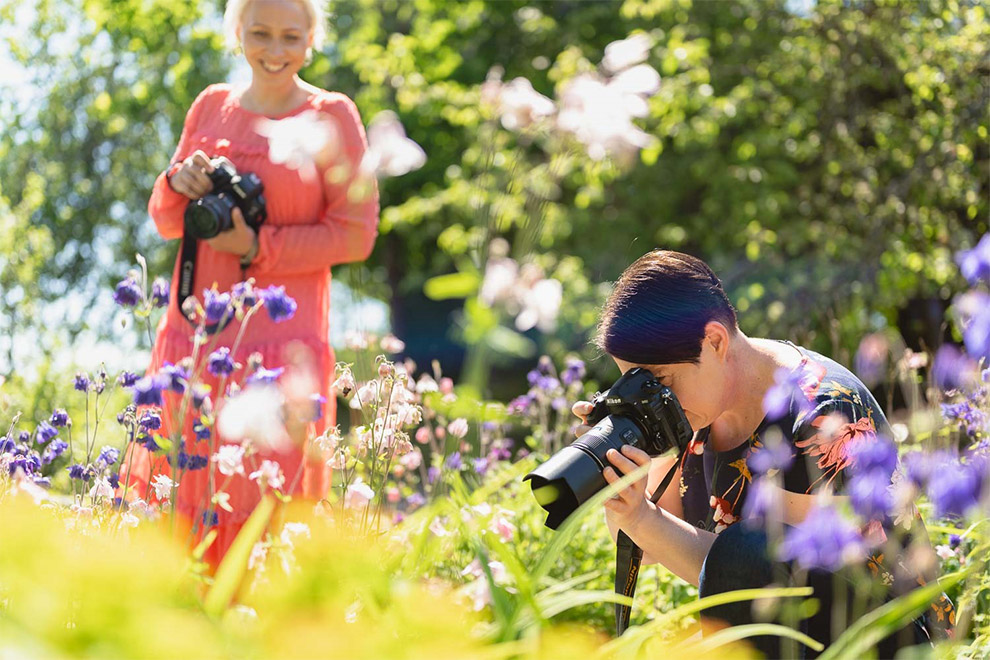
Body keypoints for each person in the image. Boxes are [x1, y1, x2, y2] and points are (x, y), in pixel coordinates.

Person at [572, 250, 954, 657]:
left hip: (890, 635)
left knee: (744, 549)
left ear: (715, 341)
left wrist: (641, 517)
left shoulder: (822, 414)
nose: (652, 397)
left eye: (658, 380)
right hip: (794, 638)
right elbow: (647, 549)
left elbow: (751, 573)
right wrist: (623, 470)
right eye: (634, 381)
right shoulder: (691, 410)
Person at [120, 0, 379, 564]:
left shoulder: (332, 115)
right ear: (237, 33)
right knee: (176, 503)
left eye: (291, 36)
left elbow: (355, 236)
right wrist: (177, 180)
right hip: (193, 342)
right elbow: (168, 220)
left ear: (312, 39)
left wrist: (257, 247)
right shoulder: (211, 106)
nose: (275, 50)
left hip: (282, 351)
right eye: (260, 33)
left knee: (266, 509)